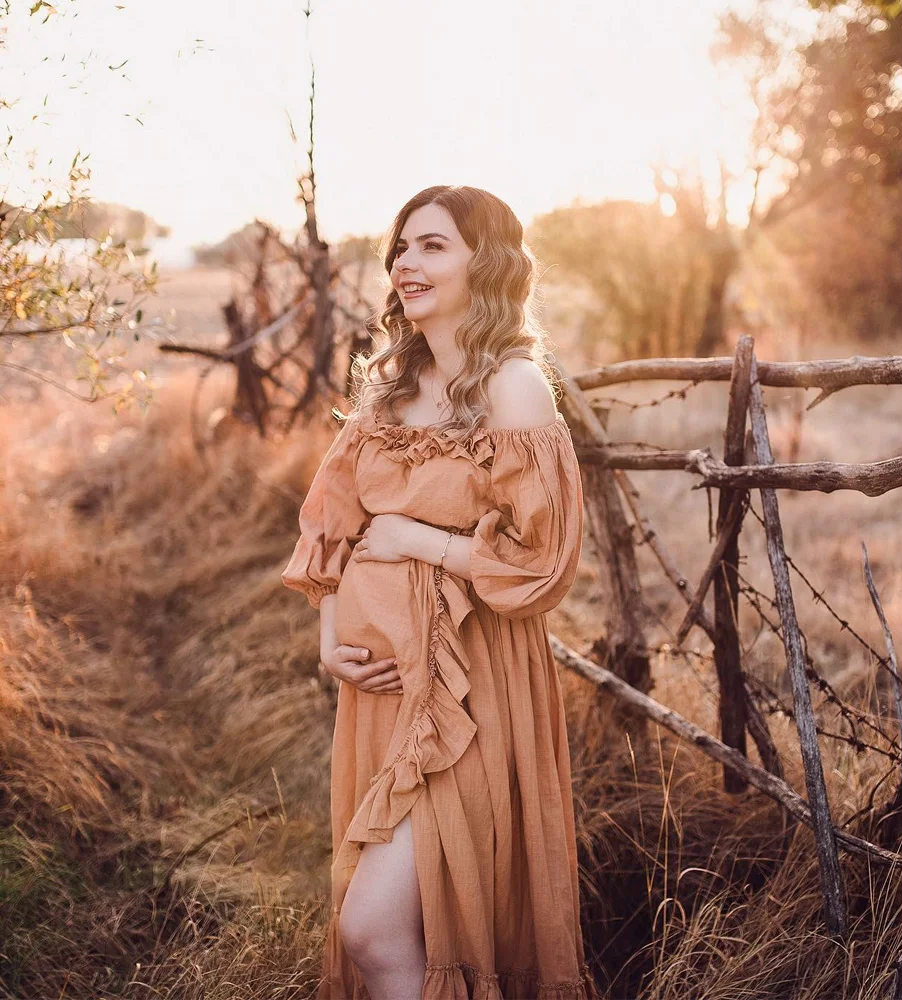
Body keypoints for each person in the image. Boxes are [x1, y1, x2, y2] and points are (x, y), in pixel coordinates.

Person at [281, 184, 602, 1000]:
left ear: (485, 264)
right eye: (402, 246)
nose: (405, 263)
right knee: (406, 925)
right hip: (385, 693)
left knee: (373, 927)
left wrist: (423, 540)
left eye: (433, 246)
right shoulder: (389, 382)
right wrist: (331, 635)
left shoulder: (517, 389)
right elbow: (333, 522)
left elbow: (543, 562)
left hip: (471, 689)